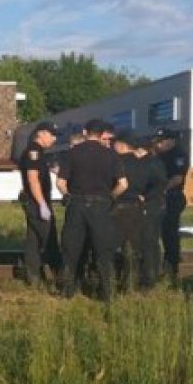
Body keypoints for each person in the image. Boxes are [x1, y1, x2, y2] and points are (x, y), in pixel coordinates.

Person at [57, 119, 128, 302]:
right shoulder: (111, 155)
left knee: (71, 249)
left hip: (77, 204)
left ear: (84, 132)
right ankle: (107, 293)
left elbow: (60, 182)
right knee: (104, 251)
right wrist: (111, 197)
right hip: (101, 205)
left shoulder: (72, 153)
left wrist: (67, 195)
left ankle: (68, 291)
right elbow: (123, 184)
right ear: (102, 134)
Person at [18, 121, 62, 288]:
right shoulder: (34, 151)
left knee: (33, 240)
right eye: (52, 135)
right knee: (49, 238)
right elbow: (33, 179)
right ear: (41, 133)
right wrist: (42, 203)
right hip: (36, 201)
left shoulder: (40, 152)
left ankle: (33, 277)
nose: (54, 139)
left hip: (35, 200)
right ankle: (60, 277)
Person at [111, 131, 150, 291]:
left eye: (115, 143)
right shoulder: (144, 163)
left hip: (117, 207)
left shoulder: (116, 162)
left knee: (113, 246)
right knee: (134, 247)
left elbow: (117, 184)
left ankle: (114, 281)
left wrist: (111, 196)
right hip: (136, 207)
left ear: (122, 145)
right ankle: (132, 284)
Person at [154, 128, 190, 279]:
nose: (159, 144)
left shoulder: (178, 154)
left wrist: (161, 190)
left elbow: (177, 179)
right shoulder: (160, 155)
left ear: (172, 140)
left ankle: (171, 265)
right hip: (161, 197)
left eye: (162, 141)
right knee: (161, 231)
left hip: (172, 197)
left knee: (170, 232)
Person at [135, 138, 168, 288]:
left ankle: (148, 276)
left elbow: (157, 184)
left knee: (148, 240)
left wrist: (144, 196)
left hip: (150, 205)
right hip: (156, 204)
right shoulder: (156, 162)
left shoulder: (149, 164)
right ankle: (153, 272)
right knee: (153, 241)